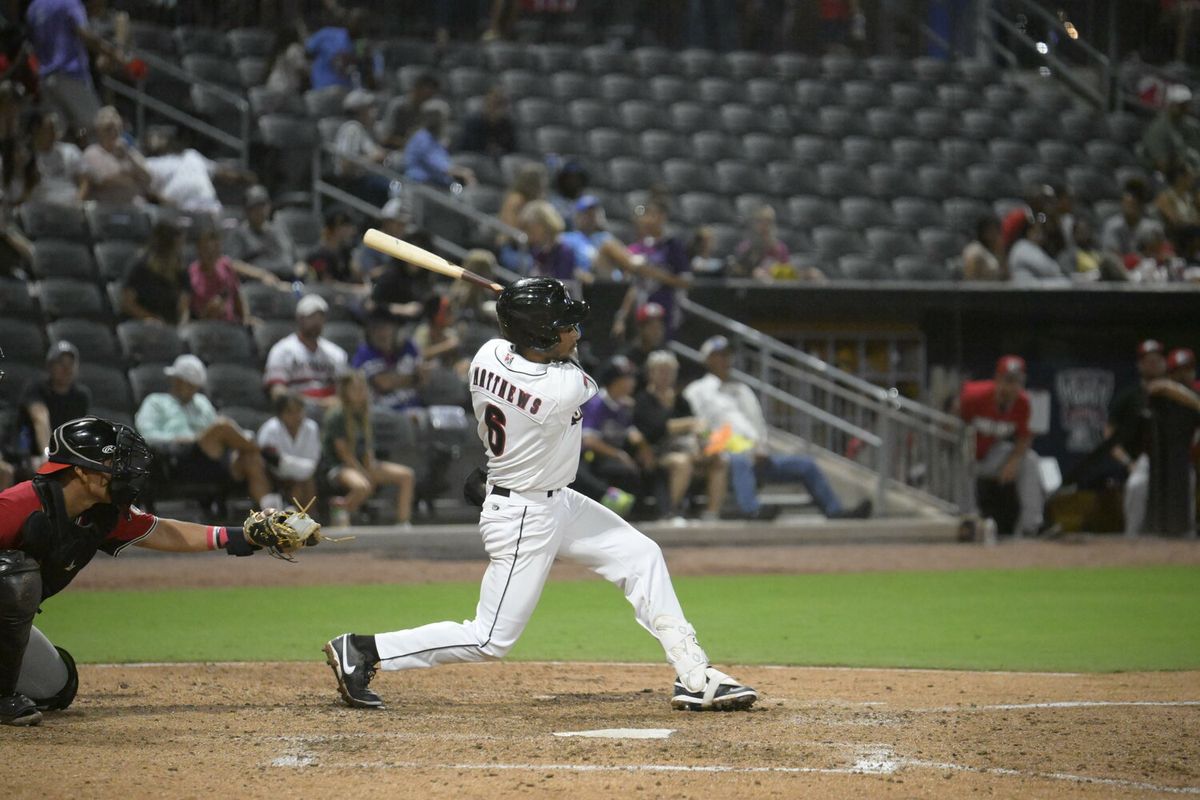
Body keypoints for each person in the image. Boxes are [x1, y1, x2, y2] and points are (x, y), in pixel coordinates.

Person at [321, 277, 758, 712]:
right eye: (565, 325)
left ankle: (694, 675)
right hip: (523, 515)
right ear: (541, 335)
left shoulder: (487, 354)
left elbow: (524, 345)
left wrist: (527, 308)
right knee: (490, 639)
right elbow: (576, 366)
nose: (575, 331)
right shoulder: (563, 389)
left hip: (553, 499)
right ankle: (363, 650)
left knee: (642, 556)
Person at [0, 416, 302, 726]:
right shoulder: (19, 505)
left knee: (56, 688)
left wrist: (245, 536)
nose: (122, 470)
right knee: (15, 577)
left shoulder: (101, 513)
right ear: (81, 470)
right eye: (111, 461)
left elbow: (164, 532)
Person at [684, 335, 871, 521]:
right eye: (719, 355)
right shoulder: (697, 391)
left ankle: (835, 512)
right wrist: (713, 447)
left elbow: (758, 424)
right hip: (723, 455)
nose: (725, 360)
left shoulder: (742, 389)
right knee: (739, 460)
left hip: (755, 454)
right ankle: (752, 510)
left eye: (727, 355)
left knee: (806, 465)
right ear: (707, 359)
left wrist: (761, 448)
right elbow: (695, 425)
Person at [135, 354, 276, 509]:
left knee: (251, 458)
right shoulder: (155, 402)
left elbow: (216, 434)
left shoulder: (201, 402)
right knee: (222, 426)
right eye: (188, 385)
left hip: (212, 459)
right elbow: (146, 435)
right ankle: (273, 457)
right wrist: (175, 439)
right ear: (175, 380)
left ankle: (271, 513)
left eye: (195, 386)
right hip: (177, 459)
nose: (192, 390)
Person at [635, 350, 727, 523]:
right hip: (655, 453)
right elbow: (654, 428)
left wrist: (704, 442)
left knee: (718, 458)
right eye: (661, 370)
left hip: (686, 447)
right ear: (651, 373)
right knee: (682, 462)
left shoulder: (681, 400)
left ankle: (711, 513)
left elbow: (698, 425)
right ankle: (670, 512)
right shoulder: (643, 399)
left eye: (670, 371)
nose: (666, 375)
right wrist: (687, 424)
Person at [958, 355, 1046, 537]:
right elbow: (950, 422)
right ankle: (969, 521)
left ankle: (1031, 526)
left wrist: (1013, 461)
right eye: (1008, 380)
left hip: (990, 456)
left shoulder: (1023, 403)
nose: (1012, 387)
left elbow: (1025, 437)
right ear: (997, 379)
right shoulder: (974, 395)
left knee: (1030, 460)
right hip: (963, 455)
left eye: (1017, 382)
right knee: (962, 460)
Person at [320, 370, 414, 527]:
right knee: (362, 486)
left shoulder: (364, 414)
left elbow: (368, 447)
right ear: (346, 391)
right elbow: (344, 453)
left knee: (406, 476)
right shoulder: (337, 415)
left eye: (363, 388)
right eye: (355, 389)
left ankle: (402, 522)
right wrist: (364, 473)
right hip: (339, 467)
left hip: (361, 465)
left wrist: (370, 466)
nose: (360, 393)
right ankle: (339, 509)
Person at [24, 0, 128, 141]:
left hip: (45, 79)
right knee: (100, 130)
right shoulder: (69, 3)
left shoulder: (34, 7)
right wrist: (112, 53)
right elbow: (84, 33)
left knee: (56, 137)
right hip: (70, 75)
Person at [1107, 340, 1168, 536]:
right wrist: (1128, 463)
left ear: (1165, 363)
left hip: (1173, 459)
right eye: (1148, 361)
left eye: (1157, 360)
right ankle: (1133, 541)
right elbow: (1109, 435)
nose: (1153, 364)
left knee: (1188, 480)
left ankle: (1185, 538)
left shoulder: (1175, 394)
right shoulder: (1129, 396)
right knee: (1137, 485)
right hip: (1142, 460)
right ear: (1139, 365)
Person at [613, 198, 693, 337]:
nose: (650, 219)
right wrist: (622, 317)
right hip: (641, 312)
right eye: (648, 215)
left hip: (665, 312)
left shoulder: (672, 245)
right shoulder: (641, 247)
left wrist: (654, 273)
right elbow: (635, 286)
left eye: (654, 215)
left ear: (663, 217)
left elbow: (686, 282)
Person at [143, 128, 254, 216]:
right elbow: (145, 190)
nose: (164, 140)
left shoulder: (191, 154)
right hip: (180, 211)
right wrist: (165, 203)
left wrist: (240, 177)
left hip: (210, 206)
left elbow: (218, 172)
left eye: (165, 137)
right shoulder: (149, 163)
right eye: (158, 137)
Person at [264, 294, 349, 407]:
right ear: (299, 318)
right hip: (297, 411)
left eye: (321, 316)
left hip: (331, 412)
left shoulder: (336, 353)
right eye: (311, 316)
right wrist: (314, 403)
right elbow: (278, 393)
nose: (316, 321)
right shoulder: (282, 350)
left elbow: (345, 390)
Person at [17, 341, 90, 471]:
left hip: (64, 456)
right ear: (50, 366)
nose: (66, 368)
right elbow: (40, 419)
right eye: (60, 363)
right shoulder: (36, 389)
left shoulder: (81, 396)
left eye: (70, 364)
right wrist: (47, 454)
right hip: (32, 453)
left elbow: (78, 431)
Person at [256, 391, 320, 510]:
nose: (296, 416)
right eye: (290, 412)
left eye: (299, 411)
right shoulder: (270, 429)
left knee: (305, 486)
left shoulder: (311, 428)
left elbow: (312, 463)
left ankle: (309, 521)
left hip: (303, 477)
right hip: (274, 476)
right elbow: (270, 460)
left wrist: (285, 462)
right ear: (281, 414)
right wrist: (293, 466)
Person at [120, 219, 188, 325]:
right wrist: (150, 318)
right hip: (142, 324)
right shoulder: (140, 266)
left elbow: (184, 302)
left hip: (171, 324)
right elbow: (127, 303)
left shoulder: (180, 267)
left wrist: (182, 323)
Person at [560, 195, 643, 282]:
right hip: (589, 280)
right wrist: (577, 273)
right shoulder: (569, 238)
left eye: (594, 213)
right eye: (587, 214)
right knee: (608, 247)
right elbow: (565, 264)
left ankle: (638, 275)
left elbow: (623, 258)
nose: (591, 217)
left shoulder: (605, 236)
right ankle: (643, 271)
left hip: (613, 281)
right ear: (577, 217)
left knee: (610, 246)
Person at [78, 106, 151, 205]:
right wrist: (133, 177)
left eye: (117, 128)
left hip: (133, 206)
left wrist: (128, 156)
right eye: (108, 129)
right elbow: (104, 180)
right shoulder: (92, 152)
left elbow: (147, 178)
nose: (113, 132)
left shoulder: (129, 151)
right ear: (99, 131)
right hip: (106, 208)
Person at [351, 311, 423, 411]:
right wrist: (415, 378)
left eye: (385, 328)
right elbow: (384, 383)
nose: (381, 334)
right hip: (382, 413)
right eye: (375, 329)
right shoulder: (365, 352)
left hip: (414, 409)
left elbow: (424, 377)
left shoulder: (408, 346)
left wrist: (417, 378)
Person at [334, 89, 392, 207]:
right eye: (369, 108)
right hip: (357, 184)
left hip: (373, 180)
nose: (374, 112)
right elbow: (345, 167)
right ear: (358, 111)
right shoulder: (352, 129)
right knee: (394, 190)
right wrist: (372, 159)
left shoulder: (368, 131)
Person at [227, 185, 298, 279]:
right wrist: (261, 275)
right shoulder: (240, 233)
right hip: (259, 284)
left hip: (290, 279)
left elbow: (296, 257)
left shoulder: (279, 229)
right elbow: (233, 263)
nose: (260, 211)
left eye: (263, 205)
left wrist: (300, 267)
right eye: (255, 207)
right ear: (246, 210)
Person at [12, 109, 81, 206]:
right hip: (43, 211)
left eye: (54, 129)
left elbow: (84, 181)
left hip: (71, 207)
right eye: (48, 129)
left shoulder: (70, 151)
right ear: (37, 131)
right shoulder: (28, 158)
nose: (53, 133)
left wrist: (78, 202)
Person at [403, 99, 474, 188]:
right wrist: (463, 173)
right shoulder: (422, 138)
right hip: (420, 186)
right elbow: (439, 166)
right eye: (443, 118)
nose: (445, 123)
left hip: (435, 186)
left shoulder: (435, 139)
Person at [187, 227, 248, 324]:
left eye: (215, 250)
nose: (211, 255)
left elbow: (237, 297)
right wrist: (208, 312)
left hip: (230, 324)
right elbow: (191, 313)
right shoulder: (191, 274)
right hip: (204, 326)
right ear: (199, 250)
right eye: (207, 250)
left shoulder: (225, 265)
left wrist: (245, 320)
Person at [1103, 178, 1166, 267]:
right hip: (1121, 274)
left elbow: (1161, 255)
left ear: (1140, 206)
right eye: (1126, 204)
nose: (1128, 209)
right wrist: (1135, 259)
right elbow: (1111, 259)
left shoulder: (1153, 227)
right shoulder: (1112, 226)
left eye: (1133, 205)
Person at [1140, 84, 1200, 174]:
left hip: (1190, 172)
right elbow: (1162, 166)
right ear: (1171, 105)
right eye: (1182, 106)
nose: (1186, 109)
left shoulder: (1189, 125)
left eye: (1187, 105)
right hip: (1163, 177)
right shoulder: (1158, 129)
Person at [305, 8, 364, 90]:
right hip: (323, 87)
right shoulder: (327, 34)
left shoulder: (360, 46)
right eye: (356, 21)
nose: (357, 25)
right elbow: (308, 51)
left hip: (341, 90)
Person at [378, 72, 440, 149]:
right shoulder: (398, 106)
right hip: (393, 152)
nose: (430, 97)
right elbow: (385, 137)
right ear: (416, 88)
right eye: (427, 92)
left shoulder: (429, 110)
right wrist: (410, 143)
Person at [304, 207, 362, 286]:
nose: (353, 230)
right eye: (347, 225)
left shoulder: (346, 251)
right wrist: (356, 290)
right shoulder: (317, 255)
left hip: (347, 295)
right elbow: (328, 285)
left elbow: (358, 276)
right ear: (336, 227)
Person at [1154, 164, 1200, 262]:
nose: (1193, 178)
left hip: (1193, 234)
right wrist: (1194, 223)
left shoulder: (1191, 198)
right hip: (1176, 236)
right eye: (1189, 176)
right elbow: (1175, 221)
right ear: (1180, 178)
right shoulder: (1165, 197)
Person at [1007, 213, 1070, 285]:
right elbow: (1049, 269)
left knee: (1065, 283)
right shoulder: (1021, 246)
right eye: (1036, 231)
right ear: (1028, 232)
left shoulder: (1034, 248)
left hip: (1034, 287)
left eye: (1041, 232)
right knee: (1065, 283)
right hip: (1024, 290)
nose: (1040, 236)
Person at [454, 85, 516, 156]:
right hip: (473, 157)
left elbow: (512, 148)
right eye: (493, 103)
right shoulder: (473, 122)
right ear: (487, 103)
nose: (496, 109)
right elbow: (470, 146)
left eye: (500, 104)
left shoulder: (507, 124)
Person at [731, 205, 790, 280]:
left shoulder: (781, 248)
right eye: (760, 221)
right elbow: (739, 271)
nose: (765, 225)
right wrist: (752, 272)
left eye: (768, 221)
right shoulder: (745, 247)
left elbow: (786, 272)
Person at [617, 302, 668, 385]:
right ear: (640, 328)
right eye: (652, 327)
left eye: (660, 327)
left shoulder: (661, 355)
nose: (657, 332)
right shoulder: (626, 354)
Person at [962, 215, 1006, 281]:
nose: (994, 234)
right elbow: (970, 279)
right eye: (990, 230)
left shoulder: (996, 250)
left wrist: (1001, 253)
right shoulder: (975, 250)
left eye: (996, 230)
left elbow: (1005, 276)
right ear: (982, 231)